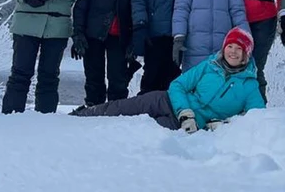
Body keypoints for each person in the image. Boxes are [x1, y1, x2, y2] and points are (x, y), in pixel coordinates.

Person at [69, 27, 264, 132]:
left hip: (188, 126)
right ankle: (83, 114)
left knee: (133, 131)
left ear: (246, 54)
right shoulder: (210, 65)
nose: (233, 52)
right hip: (168, 101)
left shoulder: (250, 86)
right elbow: (178, 84)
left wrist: (223, 124)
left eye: (239, 49)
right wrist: (184, 111)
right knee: (121, 108)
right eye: (230, 46)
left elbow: (257, 120)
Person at [71, 0, 140, 106]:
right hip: (94, 32)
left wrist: (135, 40)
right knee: (94, 75)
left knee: (118, 78)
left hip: (121, 35)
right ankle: (93, 108)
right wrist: (77, 33)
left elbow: (139, 6)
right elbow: (82, 2)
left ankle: (116, 111)